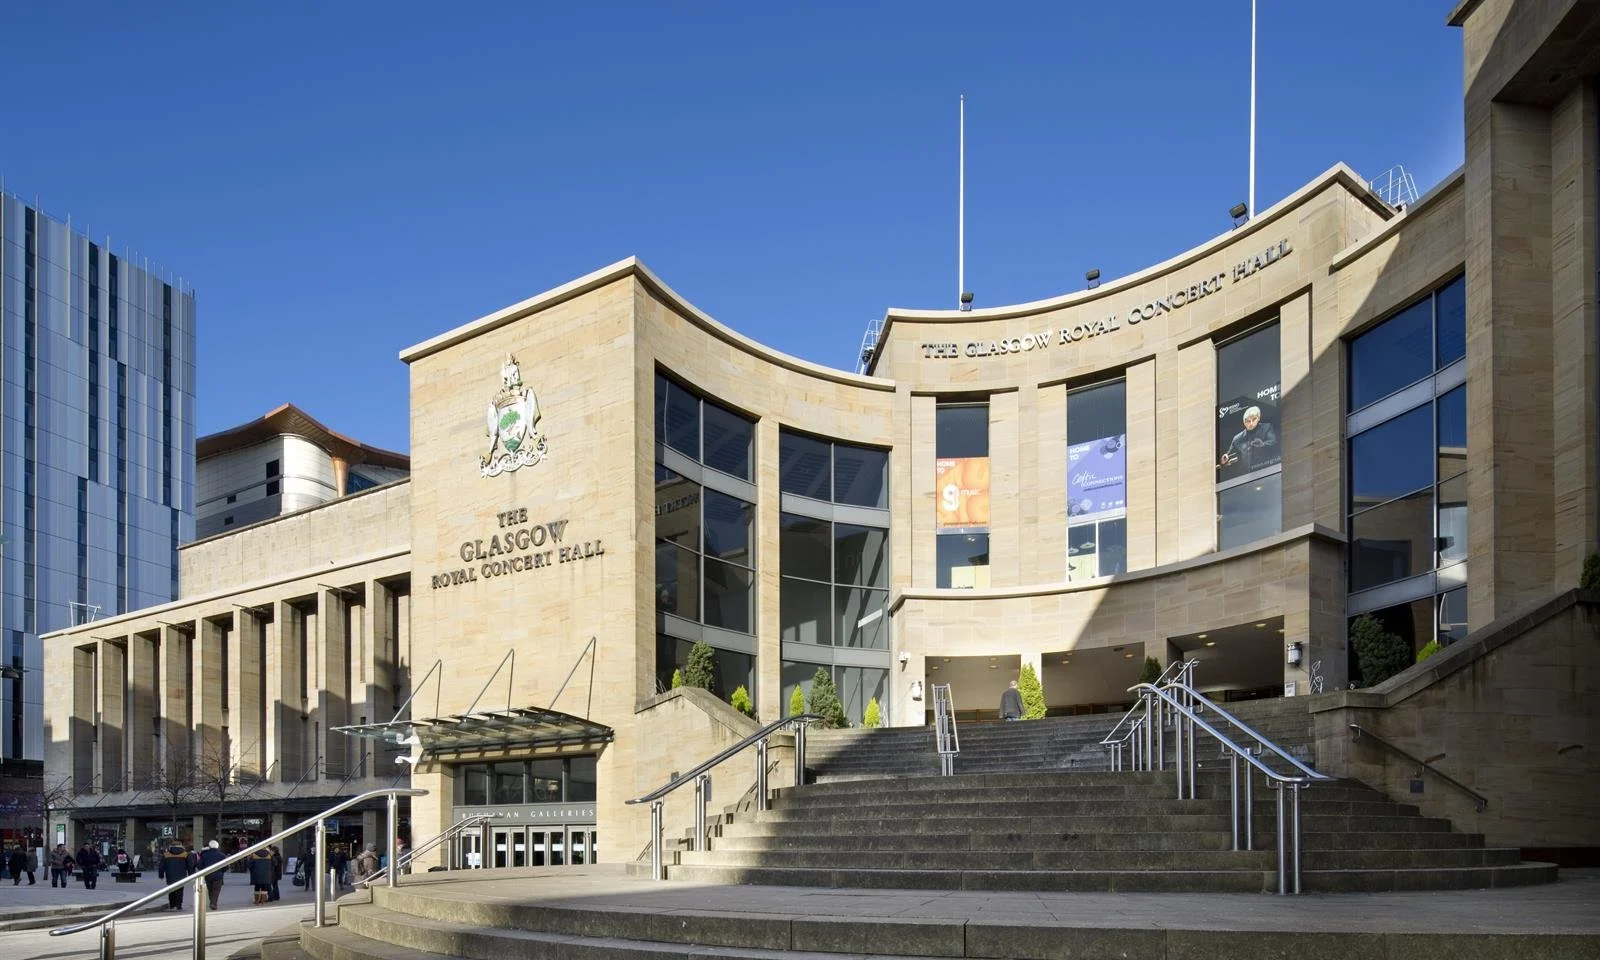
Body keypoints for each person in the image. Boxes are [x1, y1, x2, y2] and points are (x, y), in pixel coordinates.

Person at [1219, 406, 1278, 472]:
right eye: (1248, 421)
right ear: (1244, 423)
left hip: (1266, 468)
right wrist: (1226, 457)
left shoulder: (1267, 427)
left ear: (1258, 418)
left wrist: (1263, 444)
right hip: (1245, 473)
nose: (1251, 423)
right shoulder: (1237, 438)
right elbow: (1230, 453)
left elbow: (1273, 441)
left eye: (1254, 419)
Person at [159, 840, 193, 910]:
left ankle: (172, 905)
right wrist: (191, 874)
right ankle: (179, 906)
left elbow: (161, 866)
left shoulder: (166, 854)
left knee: (171, 890)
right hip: (181, 875)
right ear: (181, 846)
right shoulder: (185, 854)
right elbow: (190, 865)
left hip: (170, 875)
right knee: (180, 890)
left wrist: (161, 875)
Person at [198, 840, 225, 910]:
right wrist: (221, 871)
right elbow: (225, 866)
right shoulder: (221, 855)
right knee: (216, 890)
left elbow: (200, 865)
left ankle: (212, 902)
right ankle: (213, 903)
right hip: (218, 875)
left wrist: (203, 871)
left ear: (209, 846)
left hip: (208, 875)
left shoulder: (204, 855)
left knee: (210, 890)